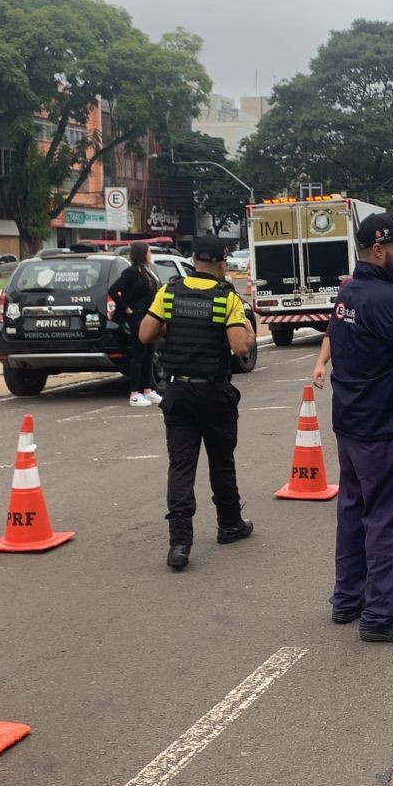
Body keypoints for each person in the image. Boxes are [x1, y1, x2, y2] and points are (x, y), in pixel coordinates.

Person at [309, 213, 393, 643]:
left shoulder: (348, 293)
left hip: (351, 422)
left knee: (354, 512)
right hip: (388, 425)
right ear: (377, 249)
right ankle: (380, 614)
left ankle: (348, 598)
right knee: (390, 521)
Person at [138, 235, 255, 571]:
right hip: (213, 392)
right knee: (221, 461)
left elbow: (145, 334)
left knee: (181, 467)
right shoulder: (226, 297)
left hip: (178, 392)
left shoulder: (169, 292)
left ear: (192, 260)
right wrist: (248, 328)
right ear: (221, 263)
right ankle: (229, 525)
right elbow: (240, 347)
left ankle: (179, 544)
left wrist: (170, 328)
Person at [110, 242, 164, 408]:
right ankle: (134, 393)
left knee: (149, 353)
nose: (150, 254)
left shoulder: (146, 270)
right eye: (148, 251)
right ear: (142, 253)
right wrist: (126, 308)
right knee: (138, 354)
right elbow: (113, 290)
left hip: (149, 315)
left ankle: (148, 390)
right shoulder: (131, 271)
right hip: (138, 317)